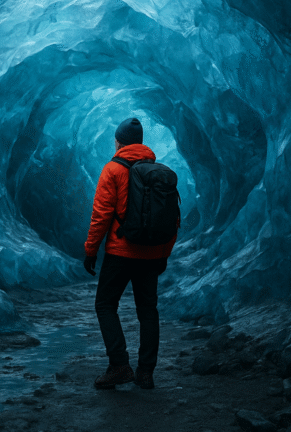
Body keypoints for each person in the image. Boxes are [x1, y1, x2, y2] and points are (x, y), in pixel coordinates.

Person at [83, 117, 178, 390]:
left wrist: (91, 251)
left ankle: (119, 366)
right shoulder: (158, 172)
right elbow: (173, 219)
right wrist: (163, 254)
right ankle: (146, 372)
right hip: (151, 254)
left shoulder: (113, 169)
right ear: (140, 142)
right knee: (148, 311)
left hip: (120, 252)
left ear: (118, 141)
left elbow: (101, 215)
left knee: (105, 305)